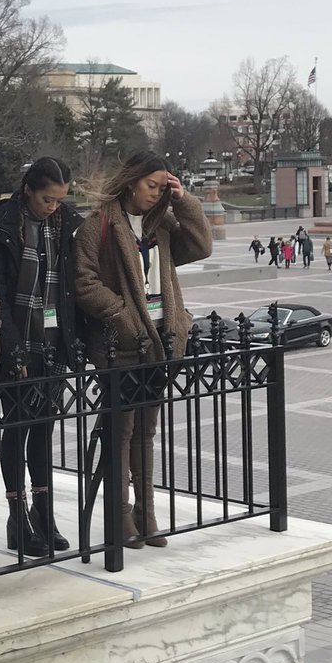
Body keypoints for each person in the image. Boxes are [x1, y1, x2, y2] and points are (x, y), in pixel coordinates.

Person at [75, 150, 212, 549]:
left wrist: (183, 199)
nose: (155, 193)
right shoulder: (98, 226)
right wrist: (122, 315)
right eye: (151, 185)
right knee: (121, 432)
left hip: (160, 340)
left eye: (160, 186)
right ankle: (119, 515)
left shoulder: (162, 224)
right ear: (133, 181)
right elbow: (84, 283)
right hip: (122, 344)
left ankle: (145, 512)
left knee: (146, 432)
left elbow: (201, 246)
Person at [0, 157, 82, 556]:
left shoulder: (68, 224)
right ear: (28, 190)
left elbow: (73, 284)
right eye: (46, 199)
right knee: (17, 428)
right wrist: (11, 346)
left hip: (54, 340)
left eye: (59, 199)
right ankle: (16, 514)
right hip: (19, 340)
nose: (53, 206)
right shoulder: (0, 227)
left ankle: (44, 511)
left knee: (43, 427)